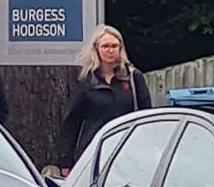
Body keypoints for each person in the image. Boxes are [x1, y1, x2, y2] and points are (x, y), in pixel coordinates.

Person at [57, 24, 151, 174]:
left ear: (120, 49)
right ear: (96, 49)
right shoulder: (85, 81)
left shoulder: (133, 77)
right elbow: (71, 122)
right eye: (105, 46)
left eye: (114, 46)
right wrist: (66, 162)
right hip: (92, 153)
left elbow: (146, 116)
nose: (110, 50)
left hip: (127, 152)